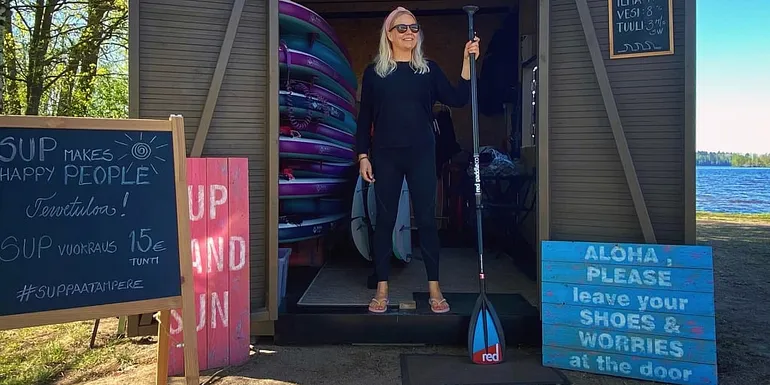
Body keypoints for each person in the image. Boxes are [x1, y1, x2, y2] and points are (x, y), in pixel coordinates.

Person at [355, 6, 480, 314]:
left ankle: (434, 289)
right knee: (383, 221)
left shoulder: (428, 70)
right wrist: (362, 156)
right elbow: (364, 118)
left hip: (422, 154)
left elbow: (458, 99)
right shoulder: (375, 73)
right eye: (402, 28)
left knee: (426, 221)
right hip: (385, 155)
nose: (410, 33)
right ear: (389, 34)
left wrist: (466, 61)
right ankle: (382, 289)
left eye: (414, 28)